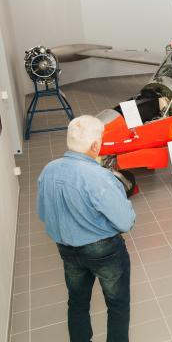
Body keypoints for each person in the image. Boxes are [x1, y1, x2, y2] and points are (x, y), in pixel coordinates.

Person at [37, 115, 136, 342]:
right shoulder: (99, 177)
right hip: (104, 252)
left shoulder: (48, 170)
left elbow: (44, 214)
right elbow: (126, 222)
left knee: (77, 302)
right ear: (94, 146)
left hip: (67, 250)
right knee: (117, 305)